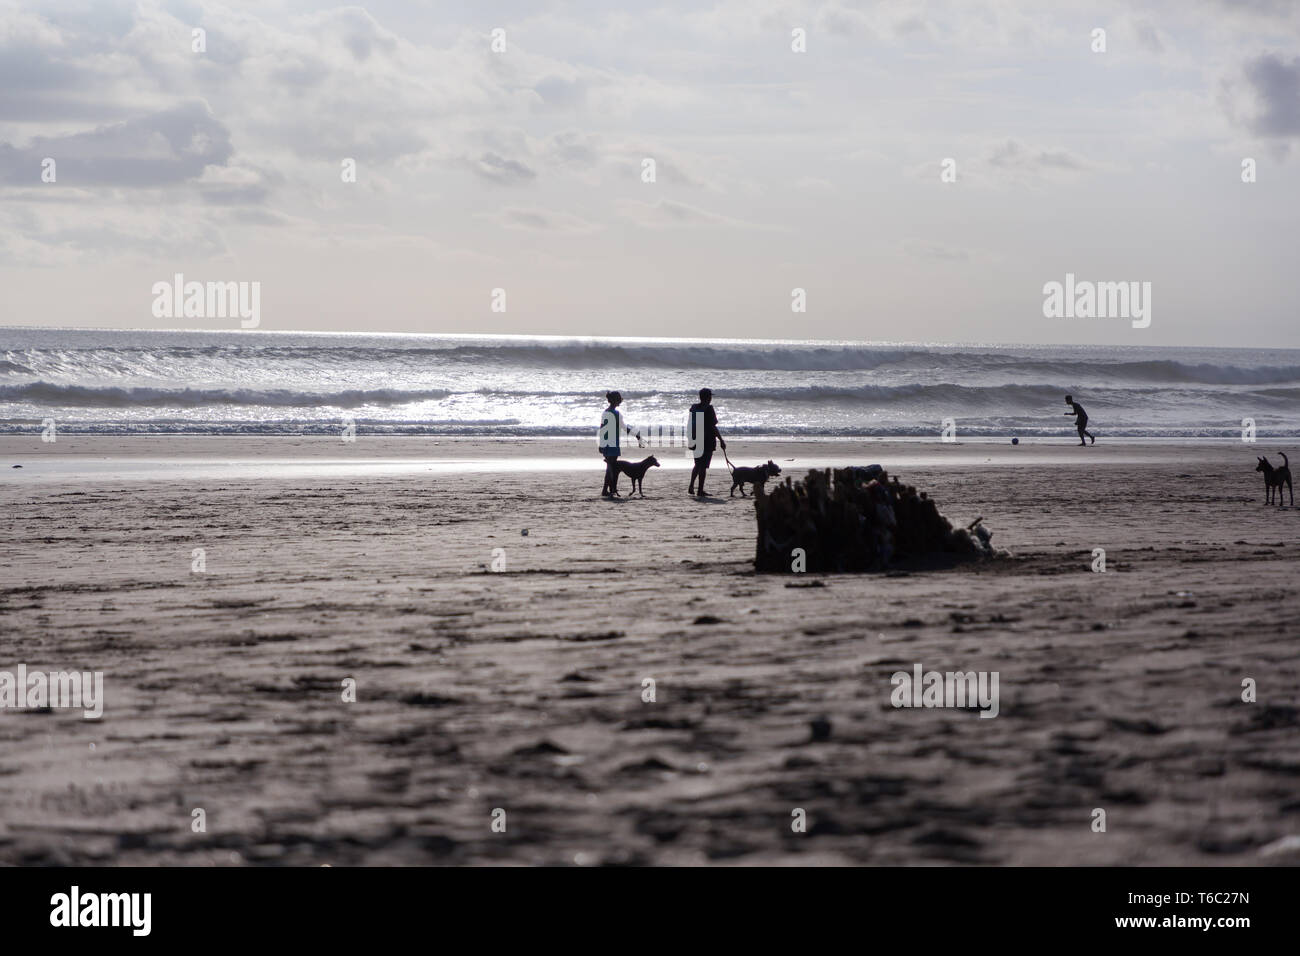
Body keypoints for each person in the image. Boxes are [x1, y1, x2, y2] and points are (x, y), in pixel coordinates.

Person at [598, 391, 641, 497]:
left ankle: (607, 489)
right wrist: (636, 435)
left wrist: (601, 443)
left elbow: (602, 428)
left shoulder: (606, 412)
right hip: (612, 443)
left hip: (608, 443)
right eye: (619, 400)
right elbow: (624, 427)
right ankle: (610, 489)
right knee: (612, 468)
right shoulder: (615, 414)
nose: (620, 402)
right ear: (615, 400)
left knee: (610, 467)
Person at [687, 387, 726, 496]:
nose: (711, 399)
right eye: (710, 396)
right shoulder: (709, 409)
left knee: (697, 464)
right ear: (708, 397)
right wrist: (721, 440)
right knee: (703, 467)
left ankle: (691, 485)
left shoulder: (694, 408)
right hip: (707, 440)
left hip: (695, 439)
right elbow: (713, 427)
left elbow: (690, 423)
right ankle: (700, 490)